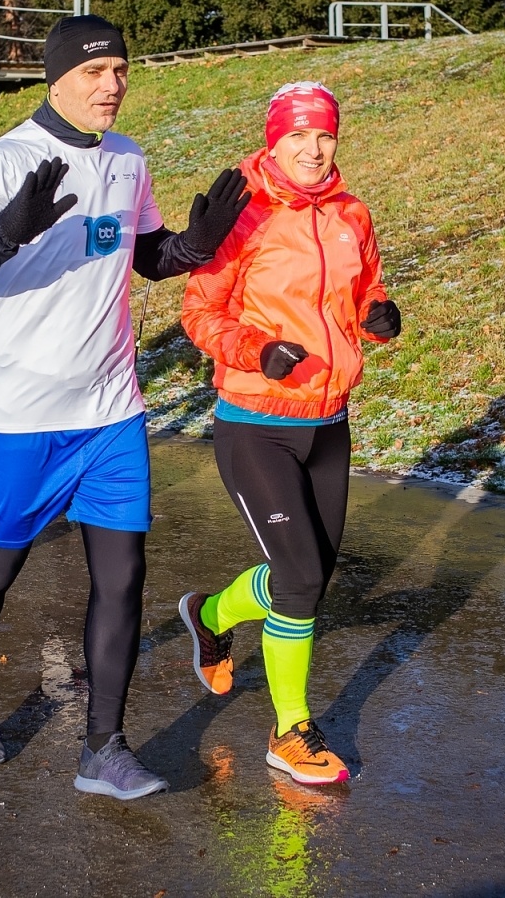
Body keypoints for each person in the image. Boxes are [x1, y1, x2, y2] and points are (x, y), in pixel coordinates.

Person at [0, 14, 251, 799]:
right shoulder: (5, 159)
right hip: (22, 413)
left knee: (125, 576)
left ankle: (103, 746)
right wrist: (5, 231)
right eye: (97, 72)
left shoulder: (129, 159)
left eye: (122, 70)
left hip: (110, 410)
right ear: (57, 77)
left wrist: (195, 247)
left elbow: (145, 255)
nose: (113, 85)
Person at [177, 82, 401, 787]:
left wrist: (378, 312)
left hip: (328, 424)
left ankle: (210, 614)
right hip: (257, 424)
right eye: (298, 135)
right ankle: (290, 730)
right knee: (300, 578)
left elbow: (365, 287)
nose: (313, 149)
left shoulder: (350, 213)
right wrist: (256, 350)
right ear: (274, 138)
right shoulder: (242, 215)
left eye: (325, 136)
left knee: (309, 576)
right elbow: (199, 313)